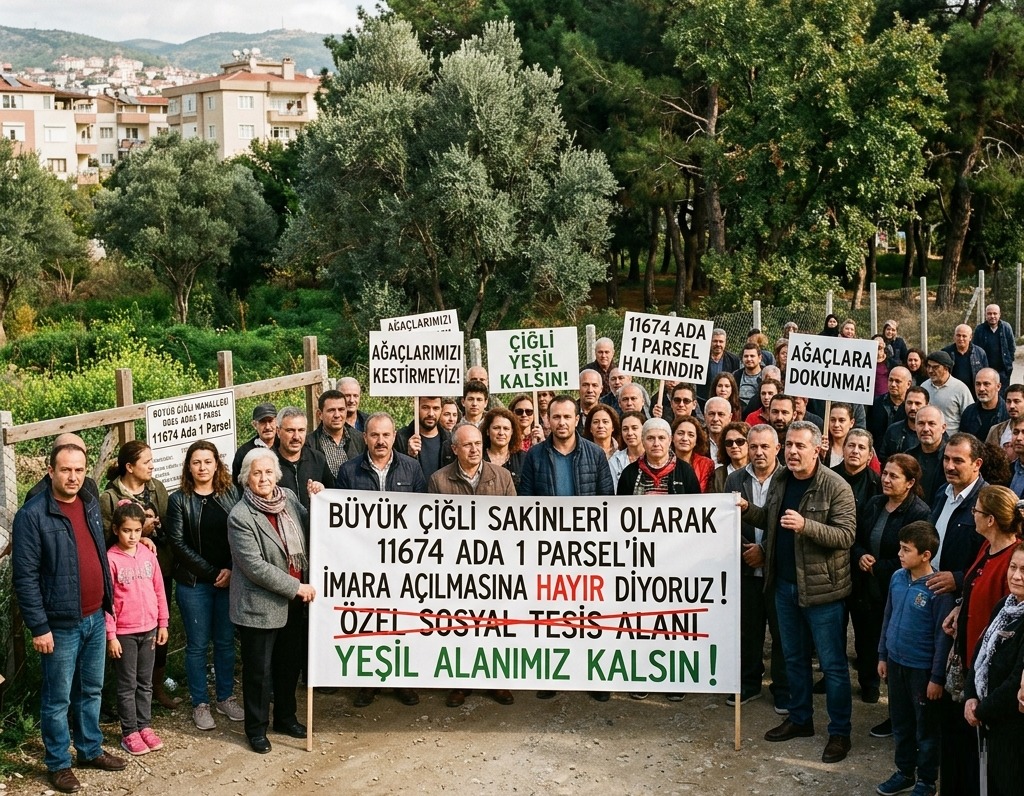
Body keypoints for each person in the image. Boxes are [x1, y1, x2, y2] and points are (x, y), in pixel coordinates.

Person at [13, 443, 127, 793]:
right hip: (59, 625)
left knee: (91, 690)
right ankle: (58, 763)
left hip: (94, 616)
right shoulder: (32, 515)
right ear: (50, 471)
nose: (73, 476)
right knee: (58, 697)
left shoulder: (88, 503)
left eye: (79, 470)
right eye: (66, 470)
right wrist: (39, 626)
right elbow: (25, 576)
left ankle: (90, 749)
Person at [740, 421, 857, 764]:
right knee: (793, 659)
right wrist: (750, 511)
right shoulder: (780, 480)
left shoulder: (836, 486)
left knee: (833, 666)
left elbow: (846, 536)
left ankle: (839, 732)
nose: (791, 451)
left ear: (817, 449)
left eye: (799, 446)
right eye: (788, 445)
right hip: (784, 586)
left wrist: (808, 526)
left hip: (824, 593)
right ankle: (801, 718)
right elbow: (774, 521)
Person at [519, 395, 615, 701]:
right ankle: (552, 673)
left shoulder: (595, 455)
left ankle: (595, 676)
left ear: (577, 420)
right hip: (548, 548)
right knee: (551, 614)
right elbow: (524, 503)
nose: (561, 422)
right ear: (547, 420)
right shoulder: (534, 456)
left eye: (567, 417)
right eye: (555, 417)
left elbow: (606, 501)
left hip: (588, 548)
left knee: (591, 613)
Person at [229, 449, 318, 754]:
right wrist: (296, 586)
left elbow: (313, 525)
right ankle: (256, 729)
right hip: (260, 606)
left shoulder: (290, 499)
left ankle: (285, 717)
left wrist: (317, 499)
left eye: (268, 472)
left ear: (276, 474)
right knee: (258, 673)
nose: (264, 478)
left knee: (288, 666)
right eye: (257, 473)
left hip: (293, 603)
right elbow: (255, 567)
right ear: (246, 479)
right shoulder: (240, 516)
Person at [335, 413, 425, 708]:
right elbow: (341, 519)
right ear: (365, 438)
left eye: (386, 435)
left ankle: (402, 680)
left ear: (393, 437)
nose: (381, 441)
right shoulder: (349, 471)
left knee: (402, 620)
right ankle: (369, 681)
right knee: (369, 621)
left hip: (404, 561)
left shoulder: (411, 468)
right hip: (365, 562)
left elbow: (425, 515)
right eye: (374, 435)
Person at [939, 485, 1022, 794]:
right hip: (967, 659)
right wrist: (960, 610)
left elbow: (1008, 616)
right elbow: (974, 586)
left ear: (990, 519)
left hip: (990, 675)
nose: (971, 515)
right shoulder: (986, 548)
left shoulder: (1014, 561)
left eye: (975, 511)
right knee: (956, 741)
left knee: (979, 755)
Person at [428, 423, 516, 708]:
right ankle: (459, 682)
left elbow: (516, 523)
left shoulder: (502, 478)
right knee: (459, 625)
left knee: (494, 624)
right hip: (456, 568)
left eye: (478, 443)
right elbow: (431, 528)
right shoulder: (439, 481)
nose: (475, 449)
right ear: (454, 449)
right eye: (467, 445)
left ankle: (496, 680)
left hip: (495, 565)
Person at [165, 440, 244, 731]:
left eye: (207, 462)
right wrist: (213, 573)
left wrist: (234, 570)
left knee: (224, 642)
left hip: (229, 580)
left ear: (216, 464)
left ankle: (225, 696)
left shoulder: (231, 494)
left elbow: (242, 534)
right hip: (195, 583)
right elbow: (178, 544)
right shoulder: (178, 500)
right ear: (189, 466)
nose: (202, 468)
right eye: (196, 462)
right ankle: (200, 702)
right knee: (197, 645)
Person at [875, 522, 954, 796]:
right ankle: (904, 772)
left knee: (926, 729)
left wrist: (936, 678)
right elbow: (887, 616)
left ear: (926, 555)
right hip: (895, 664)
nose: (900, 553)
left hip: (922, 671)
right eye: (900, 547)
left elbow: (942, 637)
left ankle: (927, 781)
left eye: (906, 549)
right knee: (901, 723)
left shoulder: (938, 590)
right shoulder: (897, 577)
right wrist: (883, 655)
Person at [851, 454, 931, 724]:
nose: (885, 479)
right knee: (864, 635)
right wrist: (860, 554)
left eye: (893, 476)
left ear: (910, 482)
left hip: (895, 587)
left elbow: (913, 555)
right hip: (865, 584)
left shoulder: (918, 512)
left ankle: (894, 710)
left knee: (889, 641)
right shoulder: (874, 503)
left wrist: (878, 566)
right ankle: (868, 682)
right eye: (884, 473)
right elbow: (857, 537)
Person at [99, 440, 176, 709]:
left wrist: (156, 528)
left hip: (156, 569)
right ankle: (122, 694)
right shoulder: (109, 497)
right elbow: (107, 537)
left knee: (158, 628)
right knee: (124, 636)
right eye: (146, 462)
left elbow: (170, 525)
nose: (152, 466)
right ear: (129, 467)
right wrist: (139, 536)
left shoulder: (157, 489)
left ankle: (155, 686)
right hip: (124, 578)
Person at [725, 425, 790, 712]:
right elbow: (725, 522)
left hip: (778, 571)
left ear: (778, 449)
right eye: (754, 446)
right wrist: (746, 550)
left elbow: (788, 524)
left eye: (765, 446)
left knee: (781, 632)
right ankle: (749, 684)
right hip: (745, 569)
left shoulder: (789, 479)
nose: (759, 452)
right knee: (748, 631)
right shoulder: (734, 480)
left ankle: (782, 688)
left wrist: (766, 552)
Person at [105, 501, 169, 756]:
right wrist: (111, 635)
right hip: (125, 632)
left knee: (145, 682)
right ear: (116, 530)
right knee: (127, 683)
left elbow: (159, 590)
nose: (132, 536)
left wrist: (163, 623)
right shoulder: (110, 559)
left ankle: (144, 726)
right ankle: (129, 731)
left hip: (150, 628)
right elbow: (107, 602)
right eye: (127, 531)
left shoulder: (148, 554)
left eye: (137, 531)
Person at [963, 543, 1024, 796]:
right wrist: (969, 696)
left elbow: (1015, 680)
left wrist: (982, 710)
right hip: (987, 721)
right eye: (1013, 567)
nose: (1017, 575)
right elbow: (980, 654)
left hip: (1012, 727)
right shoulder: (1003, 606)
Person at [928, 432, 987, 597]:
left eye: (958, 461)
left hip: (961, 598)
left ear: (977, 464)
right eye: (946, 459)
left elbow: (994, 559)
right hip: (932, 589)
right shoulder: (942, 492)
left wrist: (960, 579)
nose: (949, 466)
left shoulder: (987, 503)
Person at [274, 406, 332, 513]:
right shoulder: (268, 463)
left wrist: (323, 491)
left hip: (313, 525)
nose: (296, 437)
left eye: (301, 430)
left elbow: (333, 495)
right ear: (278, 431)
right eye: (290, 430)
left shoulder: (318, 459)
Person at [24, 433, 100, 504]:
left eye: (78, 470)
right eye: (65, 470)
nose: (73, 478)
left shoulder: (89, 486)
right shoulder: (35, 496)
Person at [394, 396, 456, 481]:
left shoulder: (450, 440)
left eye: (436, 408)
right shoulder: (402, 437)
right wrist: (408, 456)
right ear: (416, 408)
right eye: (425, 408)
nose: (431, 413)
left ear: (441, 410)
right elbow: (395, 475)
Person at [306, 389, 361, 480]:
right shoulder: (309, 443)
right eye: (331, 410)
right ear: (320, 414)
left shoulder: (359, 439)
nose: (337, 415)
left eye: (341, 409)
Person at [923, 350, 975, 434]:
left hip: (952, 442)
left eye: (935, 367)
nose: (930, 371)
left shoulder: (960, 388)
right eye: (928, 366)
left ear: (946, 368)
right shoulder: (924, 387)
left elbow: (970, 417)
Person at [906, 406, 948, 502]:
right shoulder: (909, 456)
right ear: (915, 427)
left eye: (931, 424)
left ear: (943, 428)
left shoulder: (951, 459)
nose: (925, 429)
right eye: (921, 423)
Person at [832, 428, 881, 506]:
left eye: (861, 447)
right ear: (843, 449)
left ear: (870, 455)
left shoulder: (877, 483)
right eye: (851, 445)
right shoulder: (828, 476)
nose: (855, 451)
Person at [974, 304, 1016, 395]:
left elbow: (1012, 348)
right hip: (985, 370)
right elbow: (975, 350)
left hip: (1003, 371)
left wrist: (1008, 363)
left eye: (995, 313)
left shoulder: (1006, 327)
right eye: (989, 313)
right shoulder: (979, 329)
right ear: (986, 315)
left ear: (999, 314)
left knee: (1002, 396)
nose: (992, 316)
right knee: (987, 395)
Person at [233, 403, 278, 484]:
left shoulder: (284, 445)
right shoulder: (244, 452)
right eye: (262, 422)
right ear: (254, 425)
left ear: (277, 422)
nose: (267, 427)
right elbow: (238, 483)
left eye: (270, 421)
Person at [959, 368, 1008, 442]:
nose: (981, 389)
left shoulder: (1008, 413)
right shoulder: (969, 412)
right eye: (978, 384)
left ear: (998, 386)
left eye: (986, 384)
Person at [880, 386, 928, 462]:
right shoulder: (893, 430)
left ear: (927, 405)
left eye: (917, 403)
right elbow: (883, 458)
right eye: (909, 403)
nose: (912, 408)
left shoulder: (932, 432)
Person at [870, 366, 912, 452]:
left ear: (908, 384)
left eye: (897, 381)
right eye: (890, 380)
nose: (893, 384)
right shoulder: (876, 403)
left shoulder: (913, 408)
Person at [481, 407, 525, 487]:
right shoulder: (478, 457)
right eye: (496, 428)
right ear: (487, 431)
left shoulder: (523, 458)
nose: (501, 433)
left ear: (512, 432)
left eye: (506, 429)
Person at [943, 324, 989, 401]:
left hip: (974, 394)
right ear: (954, 337)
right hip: (952, 394)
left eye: (964, 336)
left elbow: (986, 375)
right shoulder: (945, 353)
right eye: (958, 335)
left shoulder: (980, 353)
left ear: (970, 337)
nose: (961, 338)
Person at [671, 415, 713, 492]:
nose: (685, 438)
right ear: (672, 438)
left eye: (691, 435)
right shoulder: (663, 462)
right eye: (680, 433)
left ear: (696, 440)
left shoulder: (706, 464)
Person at [700, 328, 740, 401]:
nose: (718, 344)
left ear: (725, 343)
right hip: (703, 399)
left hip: (726, 400)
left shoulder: (733, 360)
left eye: (721, 341)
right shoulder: (700, 358)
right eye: (715, 341)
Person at [986, 383, 1024, 458]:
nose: (1012, 406)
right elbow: (988, 460)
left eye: (1016, 401)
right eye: (1008, 401)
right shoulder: (995, 431)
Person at [712, 421, 750, 493]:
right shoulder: (718, 474)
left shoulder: (758, 471)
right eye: (729, 443)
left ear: (749, 443)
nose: (734, 446)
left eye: (739, 441)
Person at [609, 411, 645, 485]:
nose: (630, 433)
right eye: (625, 429)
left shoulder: (654, 457)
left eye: (634, 428)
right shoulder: (615, 460)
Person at [822, 403, 856, 468]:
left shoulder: (861, 447)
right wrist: (819, 457)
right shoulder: (820, 445)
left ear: (851, 423)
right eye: (833, 420)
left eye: (841, 420)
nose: (836, 425)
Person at [703, 396, 732, 461]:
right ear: (705, 417)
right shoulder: (696, 442)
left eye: (721, 414)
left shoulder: (737, 443)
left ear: (730, 417)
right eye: (711, 414)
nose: (715, 419)